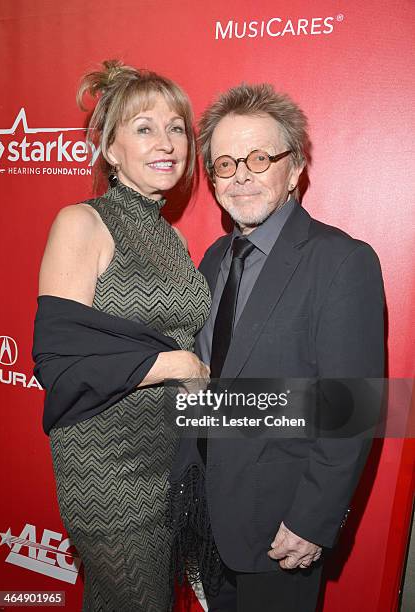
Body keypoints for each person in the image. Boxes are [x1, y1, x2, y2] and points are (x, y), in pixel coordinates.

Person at [179, 83, 384, 611]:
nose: (241, 174)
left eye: (259, 157)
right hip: (205, 515)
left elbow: (353, 406)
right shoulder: (213, 258)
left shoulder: (342, 261)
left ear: (294, 171)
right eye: (225, 163)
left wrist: (313, 519)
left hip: (280, 527)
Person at [32, 60, 211, 612]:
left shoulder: (173, 241)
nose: (167, 142)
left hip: (171, 464)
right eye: (144, 128)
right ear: (110, 151)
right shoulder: (82, 222)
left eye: (177, 127)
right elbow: (57, 362)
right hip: (110, 470)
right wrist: (177, 365)